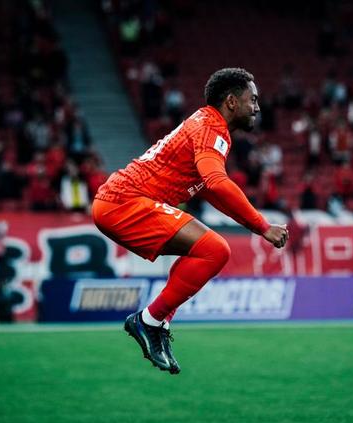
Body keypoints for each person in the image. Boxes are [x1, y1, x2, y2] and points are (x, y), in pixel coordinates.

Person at [92, 68, 288, 374]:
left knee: (203, 252)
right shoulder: (212, 128)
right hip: (125, 202)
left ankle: (157, 322)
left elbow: (210, 189)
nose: (257, 107)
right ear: (232, 102)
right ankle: (148, 321)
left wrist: (255, 227)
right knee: (215, 250)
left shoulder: (205, 122)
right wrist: (263, 226)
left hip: (119, 202)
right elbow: (217, 182)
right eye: (252, 99)